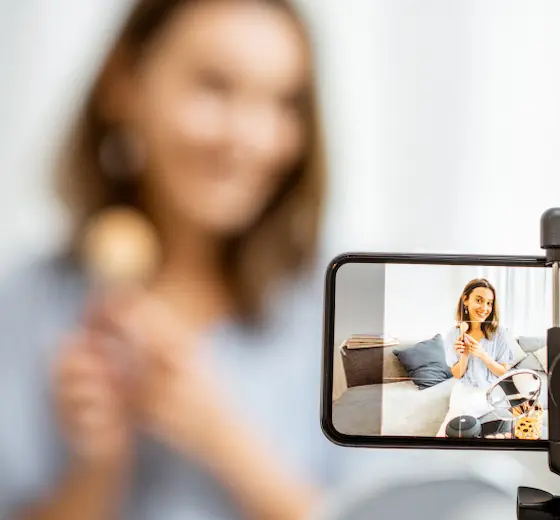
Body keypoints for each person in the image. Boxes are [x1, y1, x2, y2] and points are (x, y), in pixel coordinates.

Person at [0, 1, 332, 519]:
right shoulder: (25, 305)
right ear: (124, 84)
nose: (251, 138)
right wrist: (97, 463)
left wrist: (217, 434)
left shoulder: (332, 305)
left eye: (285, 102)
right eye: (215, 86)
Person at [436, 278, 518, 437]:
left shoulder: (499, 333)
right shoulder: (455, 334)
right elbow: (457, 374)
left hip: (492, 394)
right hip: (464, 396)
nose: (484, 308)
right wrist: (464, 355)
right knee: (445, 439)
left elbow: (502, 372)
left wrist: (482, 354)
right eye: (479, 300)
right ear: (465, 300)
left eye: (489, 303)